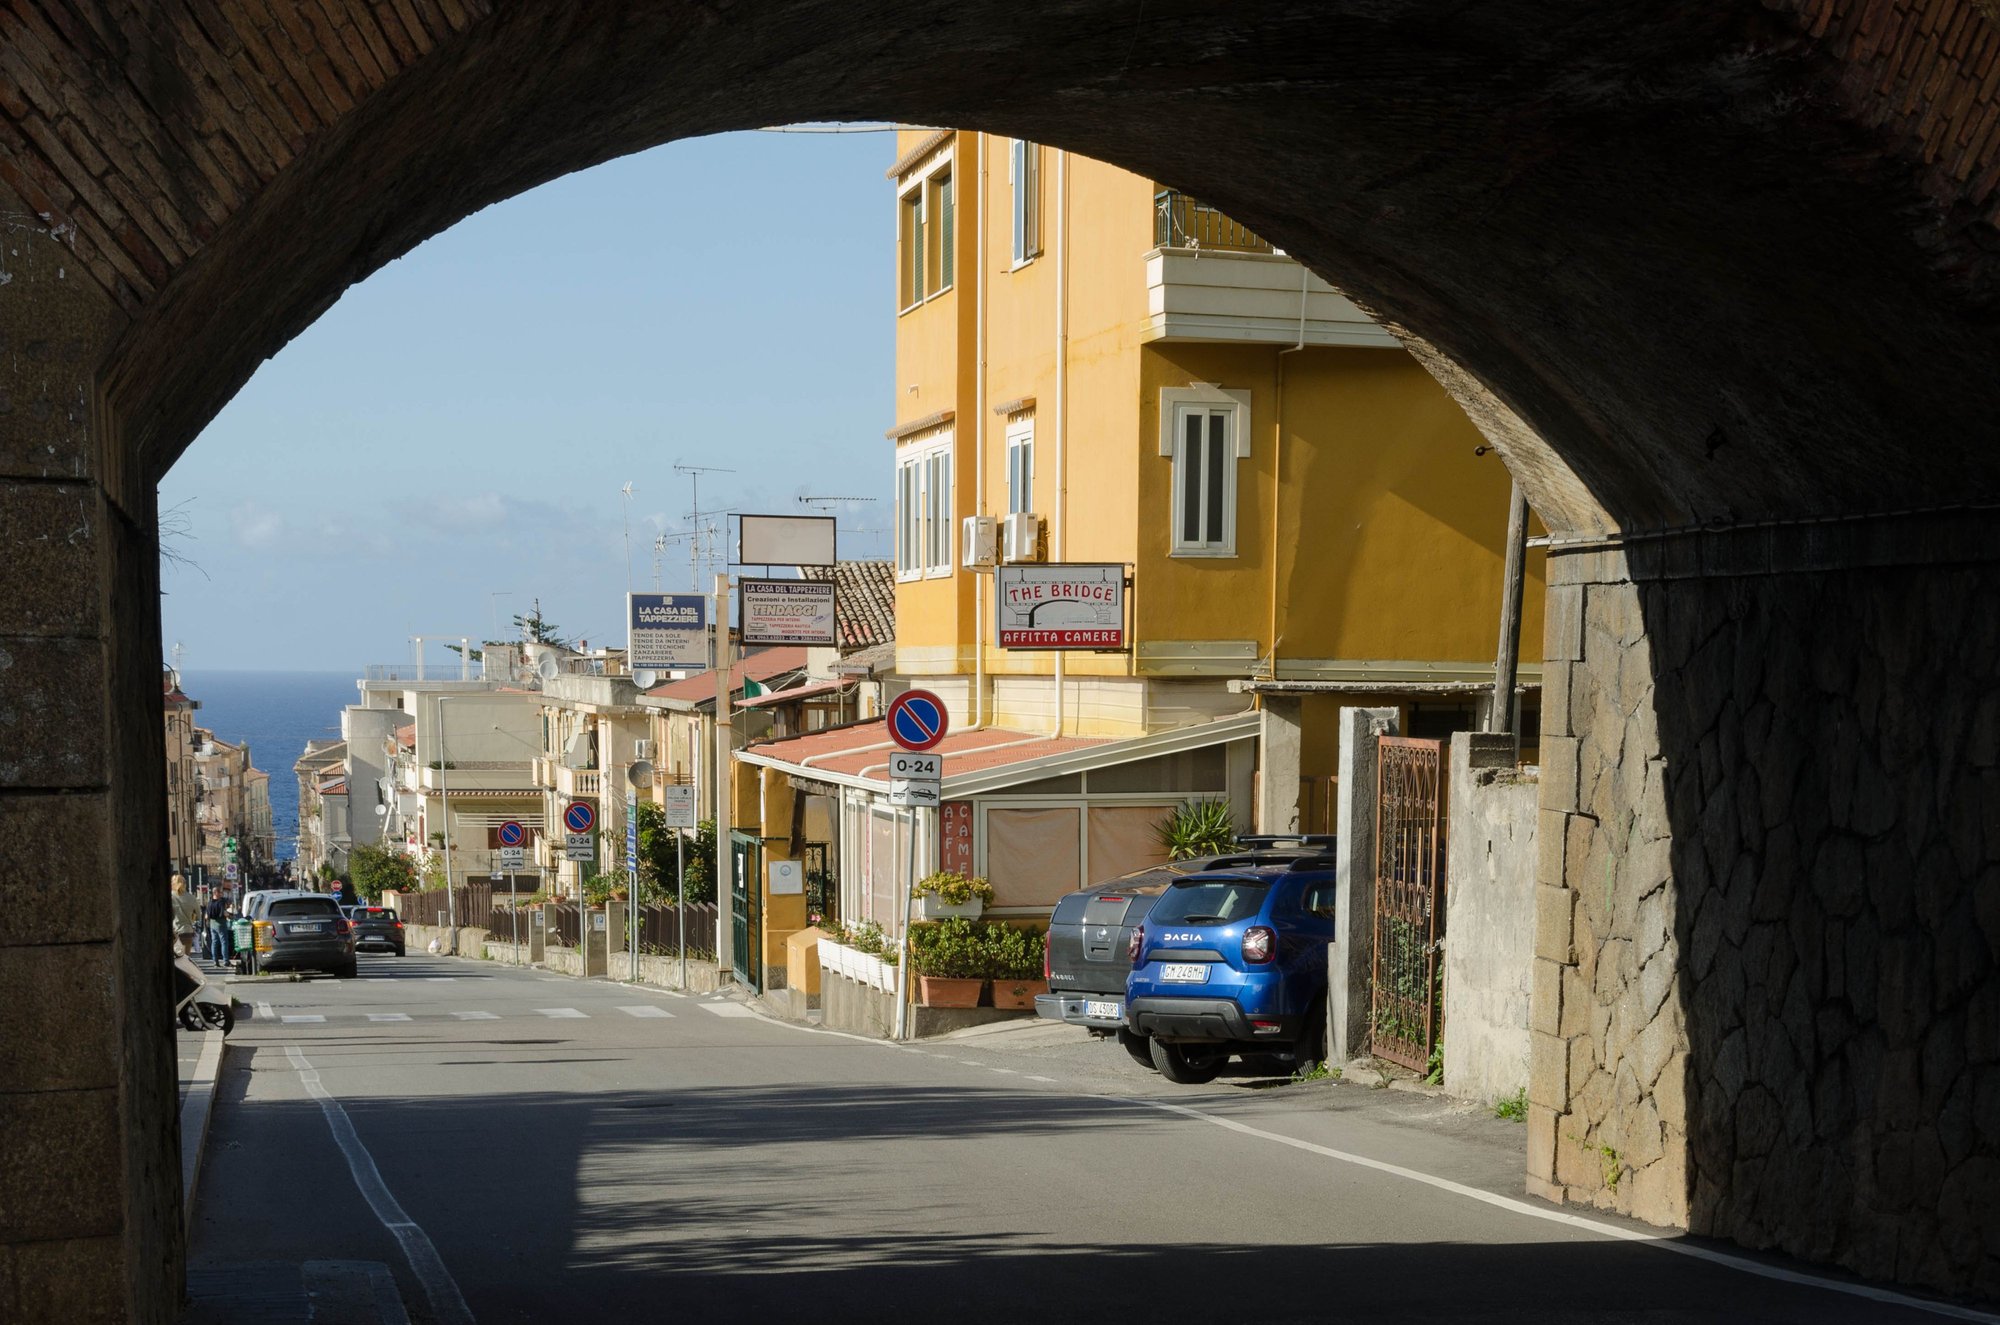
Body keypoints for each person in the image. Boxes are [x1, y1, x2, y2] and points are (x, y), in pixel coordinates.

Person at [170, 876, 199, 952]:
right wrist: (191, 919)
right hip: (187, 931)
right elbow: (198, 915)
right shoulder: (192, 898)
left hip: (173, 931)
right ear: (185, 884)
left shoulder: (170, 897)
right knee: (185, 958)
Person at [207, 892, 235, 969]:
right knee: (224, 942)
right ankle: (226, 961)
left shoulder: (209, 903)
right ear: (216, 893)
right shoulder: (220, 903)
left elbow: (206, 916)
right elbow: (225, 913)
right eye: (220, 893)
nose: (221, 894)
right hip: (221, 924)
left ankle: (215, 962)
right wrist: (231, 916)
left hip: (212, 925)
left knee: (214, 942)